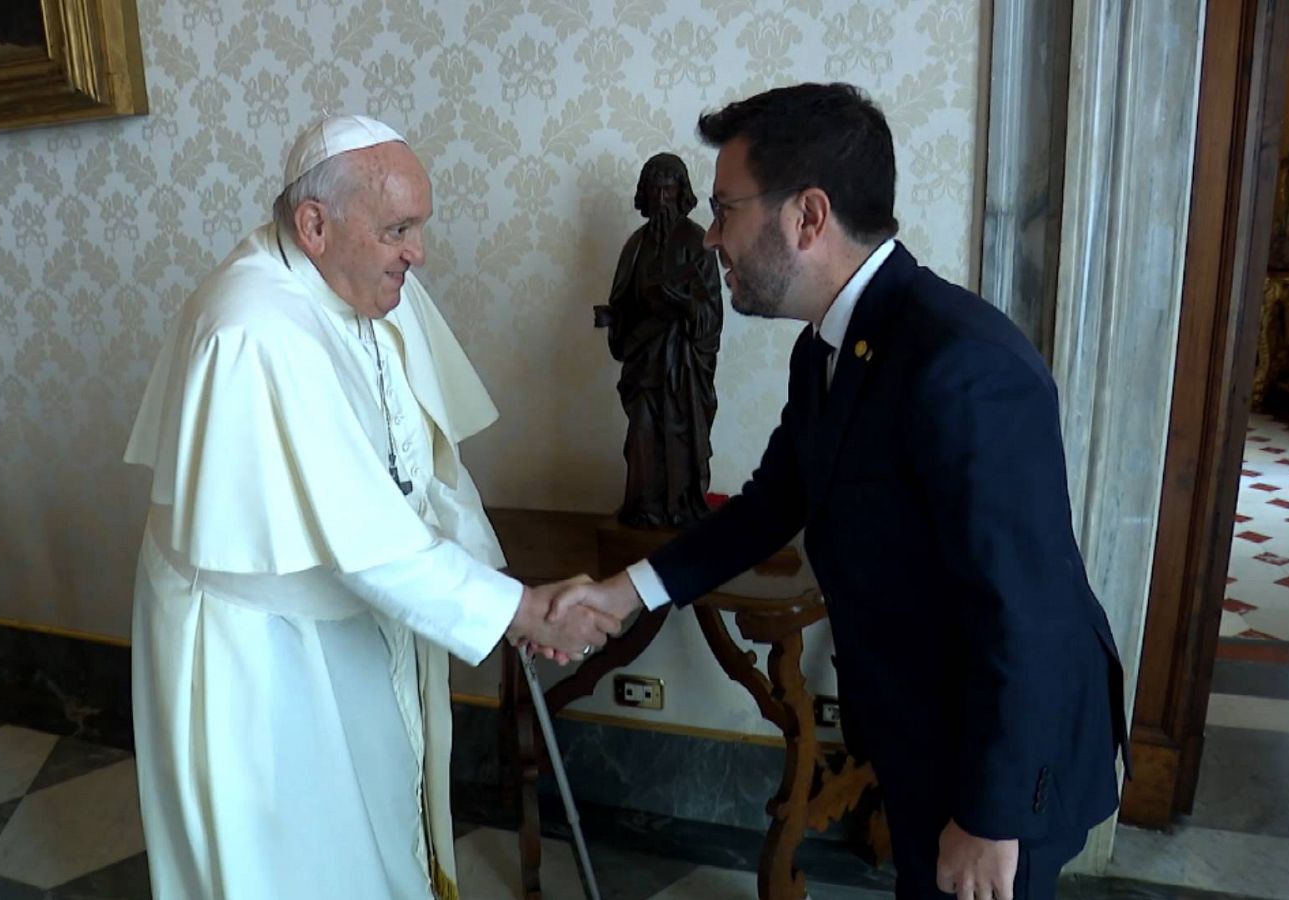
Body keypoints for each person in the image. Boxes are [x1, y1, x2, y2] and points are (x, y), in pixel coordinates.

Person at [551, 84, 1129, 900]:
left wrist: (992, 815)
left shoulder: (962, 363)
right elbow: (770, 505)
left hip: (1001, 763)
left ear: (808, 216)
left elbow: (1024, 607)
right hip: (921, 729)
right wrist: (623, 593)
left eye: (723, 210)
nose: (710, 238)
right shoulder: (829, 346)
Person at [123, 114, 616, 900]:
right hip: (263, 657)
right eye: (398, 229)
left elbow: (426, 469)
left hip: (360, 620)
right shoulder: (254, 329)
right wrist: (516, 613)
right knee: (300, 863)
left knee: (382, 830)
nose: (418, 253)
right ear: (315, 225)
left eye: (418, 227)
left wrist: (502, 593)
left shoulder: (379, 289)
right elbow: (362, 540)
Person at [598, 152, 724, 528]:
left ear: (681, 193)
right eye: (655, 191)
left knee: (679, 436)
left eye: (668, 190)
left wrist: (681, 303)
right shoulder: (636, 245)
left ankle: (681, 507)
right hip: (644, 364)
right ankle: (645, 507)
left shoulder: (697, 241)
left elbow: (711, 313)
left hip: (682, 369)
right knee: (642, 437)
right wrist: (613, 317)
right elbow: (625, 302)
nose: (662, 199)